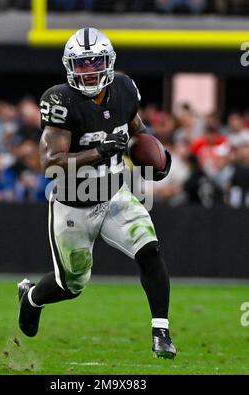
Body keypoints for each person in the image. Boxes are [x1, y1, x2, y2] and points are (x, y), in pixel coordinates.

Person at [17, 27, 176, 359]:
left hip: (115, 195)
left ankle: (161, 330)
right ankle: (32, 298)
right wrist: (97, 152)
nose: (89, 71)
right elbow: (50, 164)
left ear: (109, 62)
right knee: (71, 285)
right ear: (70, 67)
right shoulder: (60, 100)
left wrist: (155, 158)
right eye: (82, 64)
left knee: (150, 251)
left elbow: (137, 132)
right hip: (73, 205)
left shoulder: (124, 87)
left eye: (95, 62)